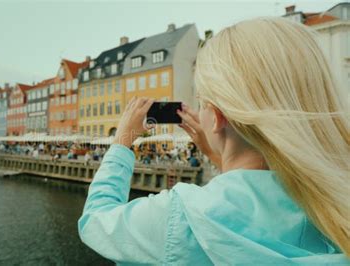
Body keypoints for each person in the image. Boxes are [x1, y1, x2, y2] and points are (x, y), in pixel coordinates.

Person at [78, 17, 349, 265]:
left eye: (202, 102)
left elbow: (96, 221)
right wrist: (220, 158)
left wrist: (122, 140)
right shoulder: (333, 202)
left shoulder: (183, 217)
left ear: (217, 116)